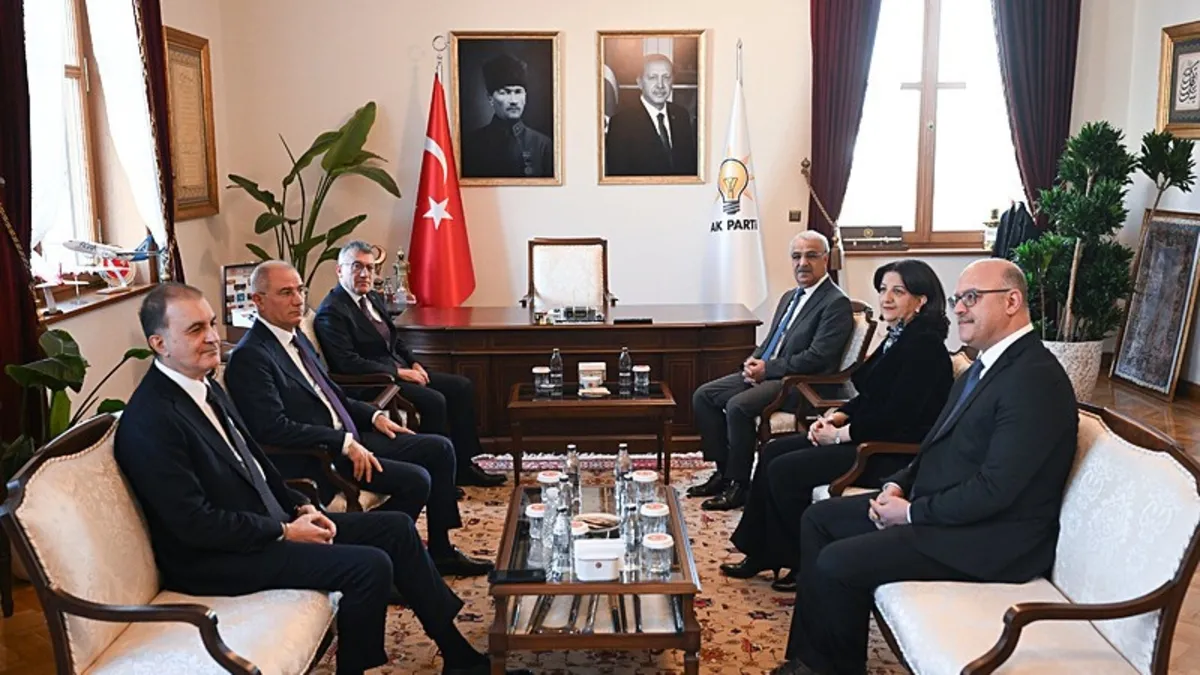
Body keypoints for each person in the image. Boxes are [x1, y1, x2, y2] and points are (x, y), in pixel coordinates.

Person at [114, 283, 530, 675]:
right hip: (216, 558)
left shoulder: (203, 385)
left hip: (264, 523)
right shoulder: (153, 419)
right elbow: (194, 525)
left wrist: (300, 506)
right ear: (159, 343)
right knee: (368, 566)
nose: (211, 337)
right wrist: (284, 531)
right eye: (195, 329)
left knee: (397, 528)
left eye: (210, 324)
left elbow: (256, 462)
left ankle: (456, 652)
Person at [770, 259, 1078, 675]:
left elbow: (996, 489)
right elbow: (933, 444)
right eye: (957, 299)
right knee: (819, 519)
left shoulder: (1034, 379)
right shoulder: (984, 366)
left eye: (972, 298)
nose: (960, 308)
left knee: (839, 562)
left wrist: (912, 512)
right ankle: (811, 661)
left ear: (1011, 302)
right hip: (947, 510)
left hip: (991, 539)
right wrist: (898, 485)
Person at [224, 261, 491, 578]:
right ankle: (381, 547)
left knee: (440, 449)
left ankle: (440, 550)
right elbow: (272, 428)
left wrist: (374, 415)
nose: (298, 300)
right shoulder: (251, 355)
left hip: (348, 436)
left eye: (300, 290)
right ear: (258, 300)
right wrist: (343, 442)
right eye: (285, 293)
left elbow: (331, 392)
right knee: (417, 480)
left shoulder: (296, 338)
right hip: (320, 454)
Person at [720, 259, 954, 592]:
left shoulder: (925, 348)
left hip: (885, 453)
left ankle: (800, 563)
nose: (886, 298)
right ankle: (761, 552)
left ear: (921, 300)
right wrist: (839, 415)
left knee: (786, 470)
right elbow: (873, 396)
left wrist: (840, 435)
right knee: (772, 451)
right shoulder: (900, 336)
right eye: (883, 290)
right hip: (865, 434)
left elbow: (897, 419)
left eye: (898, 292)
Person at [314, 241, 505, 488]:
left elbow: (396, 340)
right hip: (373, 383)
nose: (364, 274)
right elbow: (347, 363)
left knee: (461, 386)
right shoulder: (331, 311)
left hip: (397, 372)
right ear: (340, 270)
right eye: (357, 267)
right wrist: (398, 372)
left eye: (370, 268)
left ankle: (466, 466)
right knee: (434, 400)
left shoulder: (371, 297)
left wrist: (414, 363)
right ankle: (440, 478)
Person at [690, 231, 854, 510]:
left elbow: (818, 357)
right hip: (771, 372)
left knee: (738, 406)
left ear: (826, 260)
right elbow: (772, 340)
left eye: (811, 256)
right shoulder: (790, 296)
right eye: (796, 256)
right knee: (703, 396)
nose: (802, 263)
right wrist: (752, 362)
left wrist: (767, 369)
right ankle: (723, 473)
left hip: (800, 383)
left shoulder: (835, 302)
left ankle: (740, 486)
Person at [604, 53, 698, 177]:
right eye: (653, 77)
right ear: (640, 82)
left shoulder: (681, 115)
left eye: (666, 77)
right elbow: (618, 175)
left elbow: (690, 167)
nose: (660, 85)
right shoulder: (622, 123)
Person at [461, 53, 553, 178]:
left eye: (518, 92)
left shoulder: (543, 145)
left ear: (525, 97)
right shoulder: (471, 144)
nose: (513, 100)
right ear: (490, 98)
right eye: (504, 92)